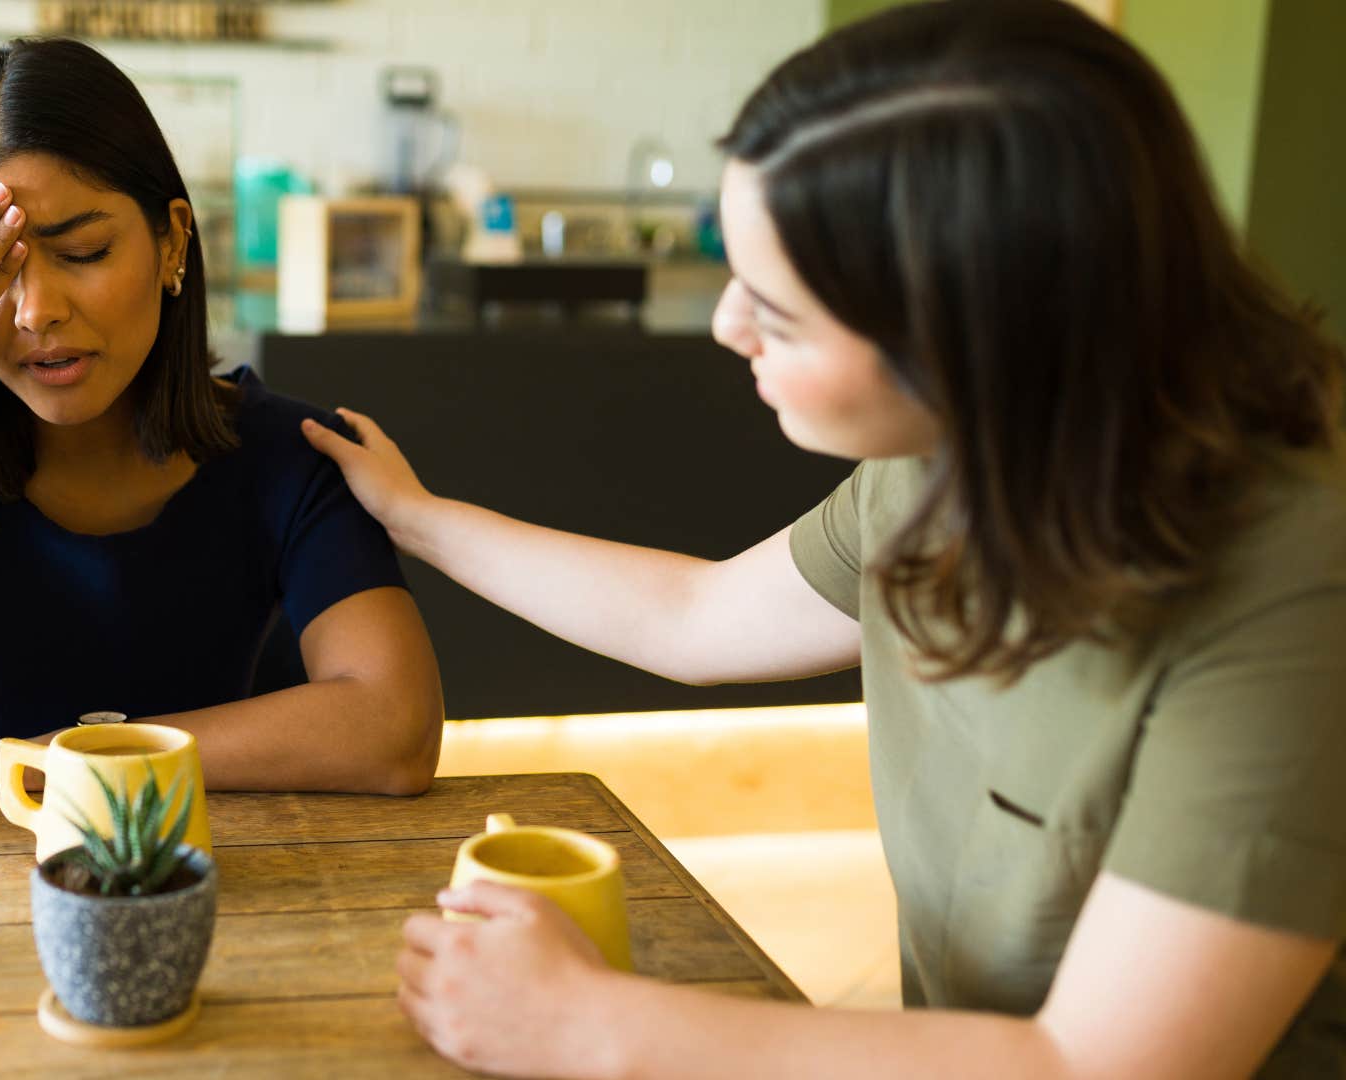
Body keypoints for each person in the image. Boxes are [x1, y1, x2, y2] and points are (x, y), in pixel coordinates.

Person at [302, 2, 1345, 1075]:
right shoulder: (953, 461)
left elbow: (1100, 1064)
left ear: (971, 339)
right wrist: (417, 518)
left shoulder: (1297, 588)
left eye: (778, 311)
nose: (726, 327)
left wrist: (595, 1024)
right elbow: (695, 618)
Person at [0, 38, 443, 825]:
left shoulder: (286, 453)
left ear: (172, 241)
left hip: (222, 881)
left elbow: (396, 732)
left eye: (83, 252)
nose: (36, 311)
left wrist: (57, 765)